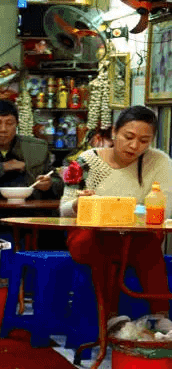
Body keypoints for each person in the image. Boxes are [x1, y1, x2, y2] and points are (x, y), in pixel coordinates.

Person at [60, 105, 172, 330]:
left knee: (148, 243)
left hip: (136, 238)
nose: (134, 146)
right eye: (128, 137)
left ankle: (161, 316)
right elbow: (63, 210)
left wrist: (119, 212)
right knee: (103, 240)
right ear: (114, 132)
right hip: (88, 237)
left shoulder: (159, 162)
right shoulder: (87, 161)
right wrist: (78, 204)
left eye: (144, 140)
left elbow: (164, 210)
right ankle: (110, 317)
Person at [0, 99, 63, 201]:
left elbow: (58, 184)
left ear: (17, 124)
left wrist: (49, 184)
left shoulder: (36, 148)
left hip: (28, 210)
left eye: (9, 123)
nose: (3, 129)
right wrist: (3, 167)